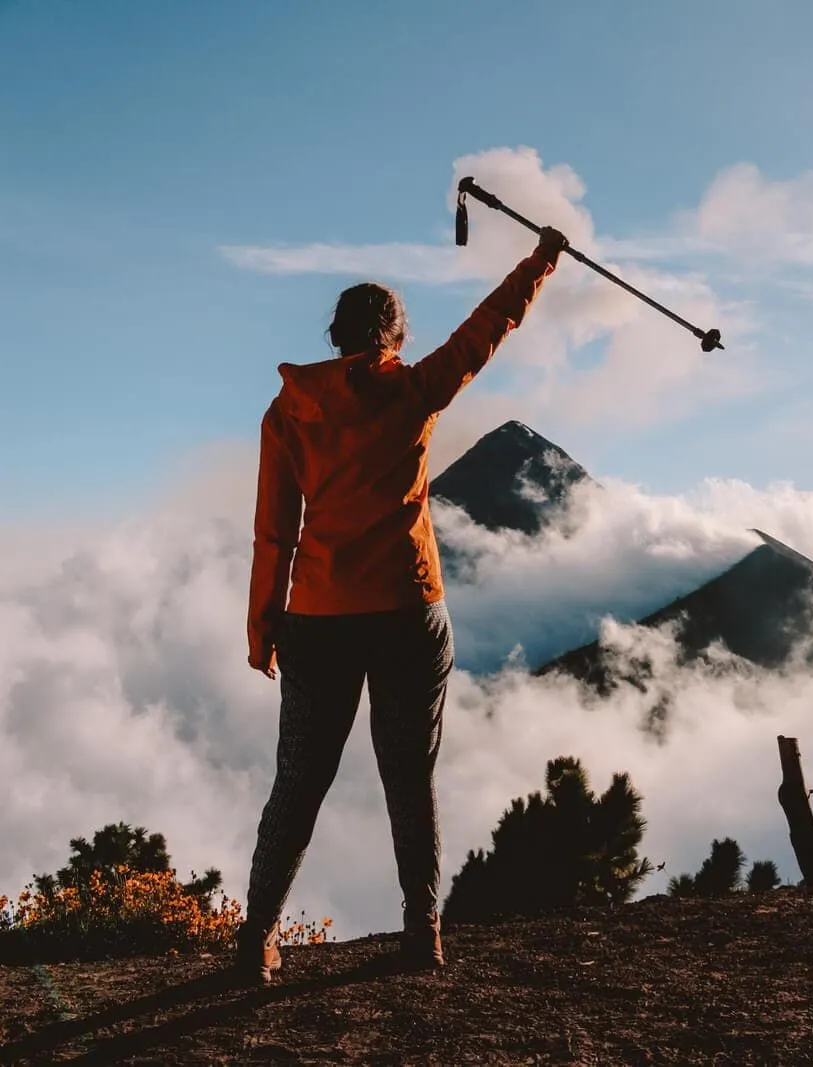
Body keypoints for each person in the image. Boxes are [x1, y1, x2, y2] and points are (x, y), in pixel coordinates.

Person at [236, 225, 567, 984]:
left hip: (317, 616)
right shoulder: (415, 388)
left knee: (298, 781)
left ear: (335, 336)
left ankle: (256, 939)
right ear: (393, 340)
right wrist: (540, 261)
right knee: (409, 776)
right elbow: (487, 330)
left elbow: (272, 530)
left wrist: (263, 627)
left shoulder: (288, 413)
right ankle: (423, 933)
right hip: (406, 608)